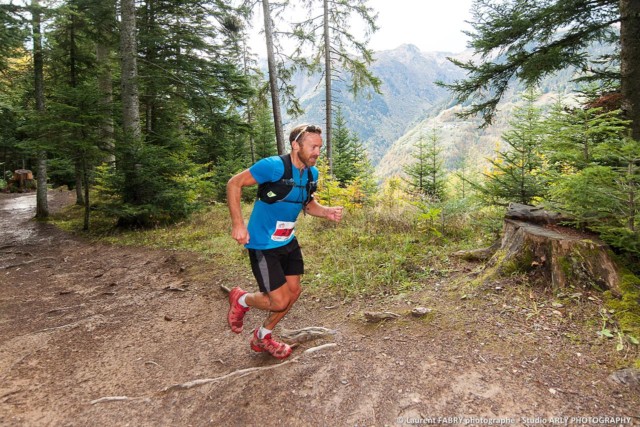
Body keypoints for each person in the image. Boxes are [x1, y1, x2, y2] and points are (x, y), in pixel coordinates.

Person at [226, 124, 343, 359]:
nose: (317, 152)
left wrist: (326, 211)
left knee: (294, 291)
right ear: (295, 145)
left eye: (320, 147)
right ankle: (241, 298)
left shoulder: (312, 174)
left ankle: (263, 336)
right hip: (262, 244)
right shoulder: (273, 166)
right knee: (279, 302)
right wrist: (238, 223)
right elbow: (234, 184)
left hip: (287, 241)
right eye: (312, 147)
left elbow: (307, 204)